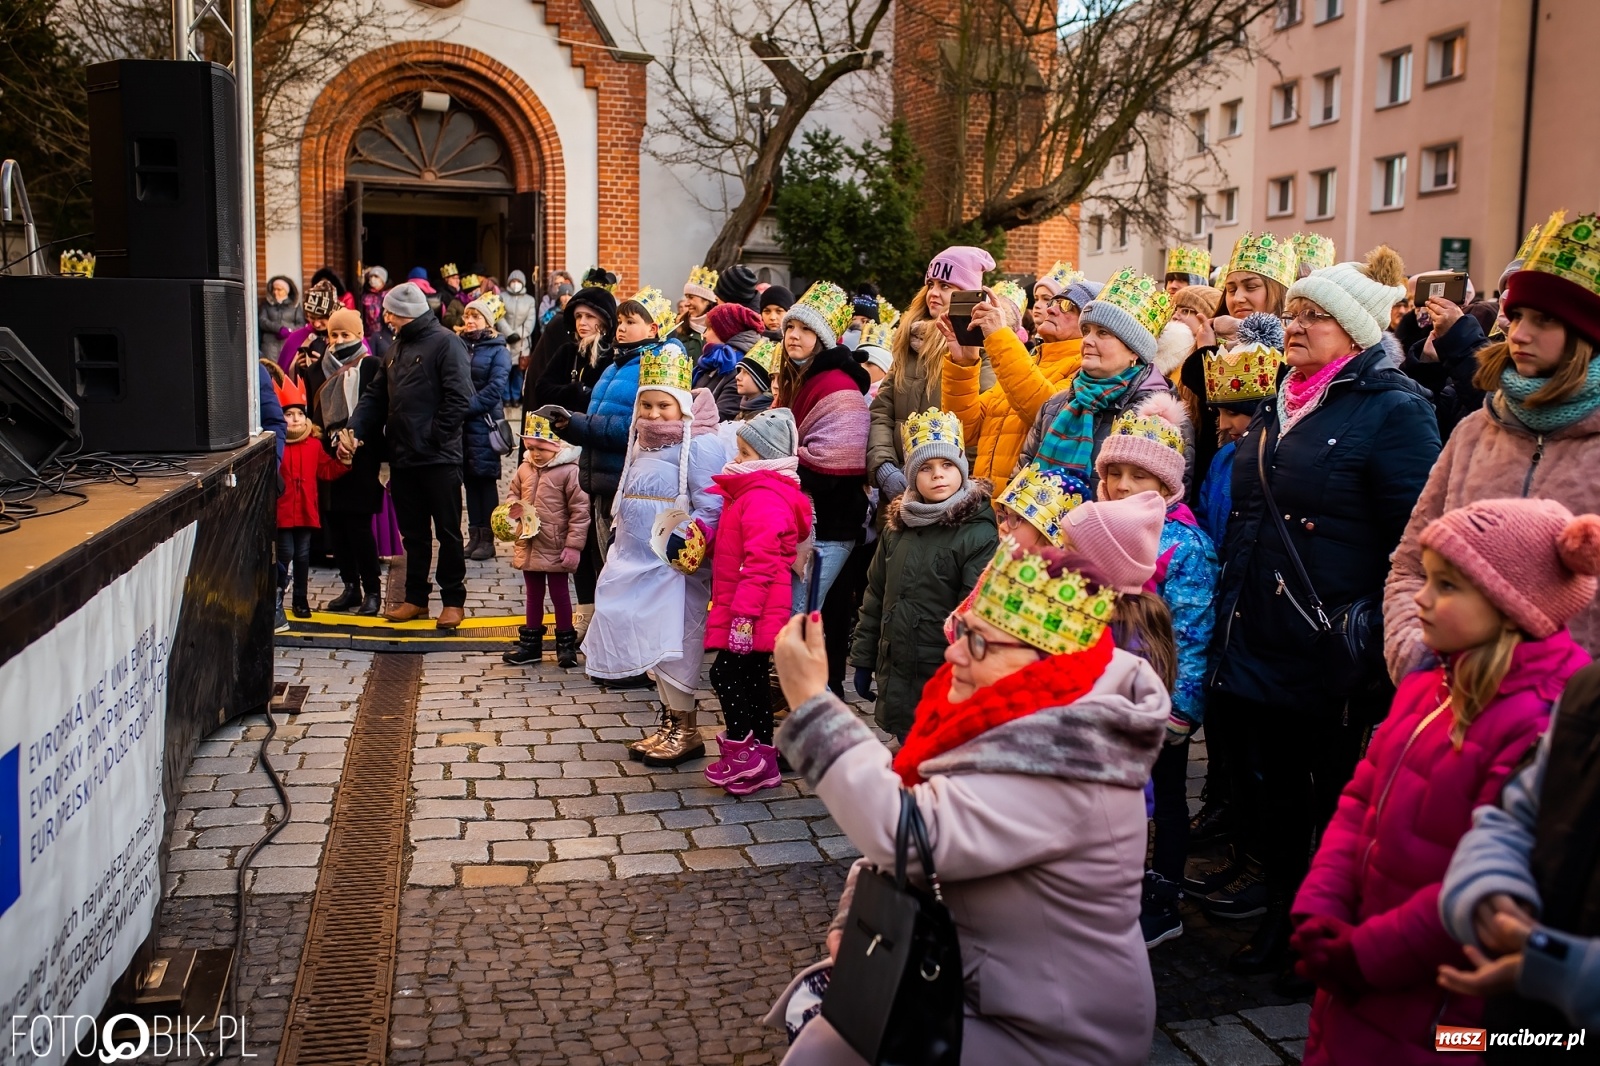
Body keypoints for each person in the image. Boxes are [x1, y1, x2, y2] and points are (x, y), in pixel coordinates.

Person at [769, 540, 1170, 1065]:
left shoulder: (1069, 757)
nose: (953, 652)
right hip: (976, 988)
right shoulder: (1008, 712)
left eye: (979, 642)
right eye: (962, 630)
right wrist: (858, 915)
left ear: (1046, 663)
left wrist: (813, 705)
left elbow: (909, 831)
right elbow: (924, 818)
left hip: (1054, 1036)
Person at [1204, 245, 1442, 974]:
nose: (1296, 325)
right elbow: (1249, 516)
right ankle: (1282, 910)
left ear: (1357, 331)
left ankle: (1328, 928)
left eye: (1317, 316)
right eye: (1295, 312)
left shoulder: (1395, 410)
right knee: (1274, 788)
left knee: (1332, 793)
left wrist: (1377, 629)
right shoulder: (1282, 399)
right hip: (1260, 626)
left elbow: (1415, 534)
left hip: (1331, 637)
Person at [1292, 499, 1596, 1065]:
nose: (1421, 600)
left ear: (1512, 605)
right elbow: (1362, 796)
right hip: (1355, 979)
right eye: (1426, 579)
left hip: (1446, 1010)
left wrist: (1366, 955)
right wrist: (1321, 907)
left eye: (1448, 586)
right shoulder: (1431, 679)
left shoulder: (1539, 717)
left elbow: (1490, 874)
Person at [1385, 210, 1600, 677]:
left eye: (1544, 320)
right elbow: (1410, 563)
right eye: (1518, 314)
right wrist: (1417, 656)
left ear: (1586, 332)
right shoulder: (1477, 431)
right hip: (1457, 700)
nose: (1518, 334)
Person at [1094, 396, 1219, 947]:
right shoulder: (1093, 527)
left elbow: (1193, 634)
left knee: (1164, 798)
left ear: (1167, 485)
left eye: (1138, 475)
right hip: (1097, 694)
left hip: (1156, 700)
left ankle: (1162, 895)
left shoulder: (1184, 544)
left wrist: (1181, 709)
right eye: (1113, 472)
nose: (1121, 485)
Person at [1440, 667, 1600, 1043]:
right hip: (1525, 1032)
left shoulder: (1533, 706)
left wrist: (1566, 969)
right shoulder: (1586, 694)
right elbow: (1515, 815)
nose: (1424, 604)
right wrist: (1489, 887)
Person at [585, 351, 729, 766]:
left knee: (676, 644)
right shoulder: (640, 443)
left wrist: (690, 540)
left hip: (674, 568)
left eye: (663, 405)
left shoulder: (700, 447)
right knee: (647, 638)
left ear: (680, 406)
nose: (653, 413)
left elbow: (711, 506)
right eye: (646, 405)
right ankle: (669, 720)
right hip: (634, 561)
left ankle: (686, 727)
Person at [851, 409, 999, 740]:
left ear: (961, 469)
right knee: (906, 741)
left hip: (942, 670)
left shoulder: (977, 534)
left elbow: (974, 614)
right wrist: (864, 655)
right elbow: (875, 594)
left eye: (947, 465)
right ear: (912, 475)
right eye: (926, 468)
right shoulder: (898, 527)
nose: (938, 475)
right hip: (899, 665)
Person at [339, 281, 475, 629]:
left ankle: (453, 601)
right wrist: (354, 428)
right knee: (413, 536)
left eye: (389, 313)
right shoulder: (396, 348)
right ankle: (415, 598)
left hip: (438, 458)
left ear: (405, 314)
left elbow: (460, 398)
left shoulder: (446, 343)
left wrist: (433, 438)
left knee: (447, 532)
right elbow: (374, 397)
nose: (385, 318)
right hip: (403, 458)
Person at [703, 408, 813, 795]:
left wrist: (743, 617)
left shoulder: (764, 497)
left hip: (752, 611)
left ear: (767, 458)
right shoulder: (751, 493)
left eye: (745, 453)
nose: (736, 460)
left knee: (726, 675)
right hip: (748, 608)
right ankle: (762, 756)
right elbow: (738, 548)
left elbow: (762, 563)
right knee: (749, 678)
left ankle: (743, 753)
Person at [546, 288, 675, 607]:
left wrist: (580, 425)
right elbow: (597, 421)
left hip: (625, 484)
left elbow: (635, 430)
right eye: (619, 320)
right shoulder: (616, 365)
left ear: (653, 329)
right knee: (600, 566)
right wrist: (568, 426)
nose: (621, 327)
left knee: (620, 573)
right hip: (599, 480)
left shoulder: (655, 365)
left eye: (630, 321)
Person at [1019, 268, 1185, 495]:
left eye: (1103, 333)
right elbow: (1021, 477)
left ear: (1134, 351)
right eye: (1086, 330)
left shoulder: (1158, 415)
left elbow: (1166, 501)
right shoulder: (1055, 404)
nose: (1087, 340)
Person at [944, 267, 1100, 481]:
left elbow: (1045, 415)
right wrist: (964, 363)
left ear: (1090, 325)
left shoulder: (1086, 369)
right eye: (1053, 302)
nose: (1051, 309)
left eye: (1067, 306)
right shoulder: (1029, 360)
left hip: (1022, 507)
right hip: (985, 504)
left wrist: (999, 336)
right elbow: (966, 432)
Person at [869, 247, 995, 501]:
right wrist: (884, 468)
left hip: (948, 495)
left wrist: (956, 483)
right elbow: (882, 411)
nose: (933, 293)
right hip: (897, 492)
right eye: (930, 284)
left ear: (966, 296)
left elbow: (980, 426)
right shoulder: (909, 342)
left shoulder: (983, 349)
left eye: (946, 286)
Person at [774, 282, 871, 608]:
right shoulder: (797, 378)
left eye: (805, 329)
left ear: (823, 338)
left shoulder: (838, 386)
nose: (794, 336)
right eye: (790, 327)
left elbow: (834, 463)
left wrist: (777, 461)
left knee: (797, 617)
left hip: (831, 525)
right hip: (798, 519)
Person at [529, 285, 618, 604]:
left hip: (599, 451)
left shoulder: (613, 355)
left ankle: (605, 608)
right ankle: (585, 610)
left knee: (602, 539)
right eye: (579, 316)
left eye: (590, 317)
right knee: (576, 536)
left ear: (605, 322)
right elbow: (543, 388)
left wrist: (579, 394)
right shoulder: (569, 351)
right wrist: (577, 392)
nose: (582, 323)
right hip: (568, 449)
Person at [299, 308, 385, 615]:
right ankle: (351, 587)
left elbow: (377, 410)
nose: (338, 340)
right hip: (327, 458)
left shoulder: (373, 365)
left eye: (345, 334)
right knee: (336, 526)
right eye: (333, 335)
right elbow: (312, 416)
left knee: (359, 527)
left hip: (362, 456)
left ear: (359, 335)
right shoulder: (315, 371)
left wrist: (354, 440)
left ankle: (372, 591)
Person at [261, 363, 351, 627]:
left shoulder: (313, 444)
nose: (296, 419)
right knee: (285, 552)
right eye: (289, 415)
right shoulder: (277, 445)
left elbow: (326, 470)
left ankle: (300, 598)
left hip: (306, 511)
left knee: (303, 555)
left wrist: (344, 461)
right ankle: (279, 593)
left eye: (299, 414)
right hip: (283, 512)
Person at [500, 415, 590, 670]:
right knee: (533, 594)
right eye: (531, 448)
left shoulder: (569, 472)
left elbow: (580, 512)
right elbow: (513, 493)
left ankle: (565, 644)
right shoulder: (524, 469)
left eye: (541, 448)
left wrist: (573, 546)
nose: (536, 454)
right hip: (530, 542)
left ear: (556, 446)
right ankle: (530, 645)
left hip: (556, 544)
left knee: (560, 594)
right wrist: (512, 508)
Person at [460, 293, 513, 562]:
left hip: (484, 422)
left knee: (485, 482)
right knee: (469, 482)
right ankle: (473, 537)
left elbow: (496, 388)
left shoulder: (499, 350)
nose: (470, 320)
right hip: (462, 426)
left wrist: (465, 407)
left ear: (488, 321)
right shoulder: (458, 346)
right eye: (467, 315)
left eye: (476, 316)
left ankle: (488, 539)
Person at [696, 302, 764, 421]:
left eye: (710, 328)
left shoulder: (740, 368)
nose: (704, 334)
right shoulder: (713, 362)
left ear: (726, 331)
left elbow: (722, 414)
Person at [279, 281, 335, 372]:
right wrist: (297, 367)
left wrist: (325, 366)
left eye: (321, 318)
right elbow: (281, 374)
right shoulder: (295, 337)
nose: (317, 324)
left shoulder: (347, 335)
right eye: (312, 318)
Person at [502, 269, 539, 404]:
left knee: (518, 371)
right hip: (505, 340)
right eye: (513, 281)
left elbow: (530, 320)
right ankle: (505, 397)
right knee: (504, 370)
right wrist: (508, 333)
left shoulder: (529, 300)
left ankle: (516, 397)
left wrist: (518, 334)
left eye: (518, 281)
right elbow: (499, 318)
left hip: (522, 342)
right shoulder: (502, 297)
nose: (515, 283)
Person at [672, 264, 719, 363]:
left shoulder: (719, 329)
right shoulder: (680, 327)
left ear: (707, 300)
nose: (687, 303)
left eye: (691, 297)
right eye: (686, 297)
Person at [259, 275, 302, 364]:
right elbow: (262, 321)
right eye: (274, 289)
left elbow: (301, 323)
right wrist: (278, 328)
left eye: (279, 289)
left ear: (286, 291)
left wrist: (290, 331)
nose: (275, 292)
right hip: (270, 345)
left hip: (287, 343)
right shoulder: (266, 304)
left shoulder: (295, 305)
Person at [733, 338, 779, 421]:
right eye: (740, 371)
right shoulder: (745, 410)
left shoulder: (766, 418)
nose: (737, 377)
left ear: (763, 380)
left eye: (746, 372)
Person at [357, 266, 388, 340]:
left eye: (376, 276)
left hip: (383, 336)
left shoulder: (387, 295)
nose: (373, 279)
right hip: (367, 336)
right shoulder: (365, 296)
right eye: (371, 276)